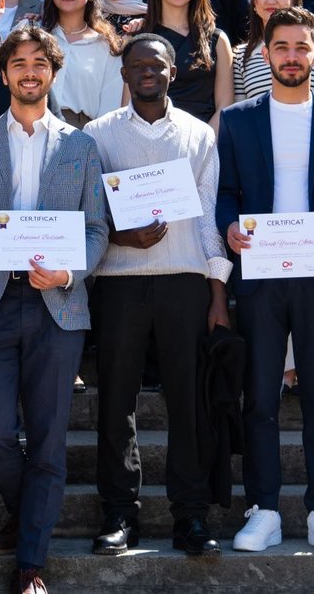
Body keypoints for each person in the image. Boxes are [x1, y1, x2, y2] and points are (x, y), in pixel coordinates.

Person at [0, 24, 110, 594]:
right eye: (19, 63)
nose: (30, 71)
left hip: (57, 307)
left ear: (53, 72)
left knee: (47, 437)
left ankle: (30, 565)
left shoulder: (82, 147)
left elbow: (96, 230)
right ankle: (29, 512)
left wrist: (68, 272)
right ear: (5, 73)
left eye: (41, 62)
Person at [217, 6, 314, 554]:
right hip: (259, 272)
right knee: (258, 397)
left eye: (301, 48)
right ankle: (263, 508)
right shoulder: (237, 120)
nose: (291, 57)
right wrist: (230, 227)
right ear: (266, 54)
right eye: (281, 47)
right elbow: (226, 193)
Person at [83, 33, 231, 557]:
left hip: (185, 281)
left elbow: (211, 219)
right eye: (137, 65)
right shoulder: (96, 136)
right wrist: (121, 236)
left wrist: (217, 293)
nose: (147, 72)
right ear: (123, 74)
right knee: (115, 401)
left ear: (174, 71)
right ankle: (121, 513)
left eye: (158, 64)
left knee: (188, 401)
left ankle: (190, 515)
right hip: (118, 283)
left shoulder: (199, 135)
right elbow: (88, 215)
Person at [139, 0, 234, 127]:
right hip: (152, 142)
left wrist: (204, 145)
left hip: (205, 142)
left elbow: (225, 106)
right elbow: (128, 105)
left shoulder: (218, 40)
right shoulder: (139, 38)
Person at [40, 0, 124, 127]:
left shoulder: (107, 47)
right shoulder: (32, 32)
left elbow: (109, 112)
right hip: (29, 131)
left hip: (81, 134)